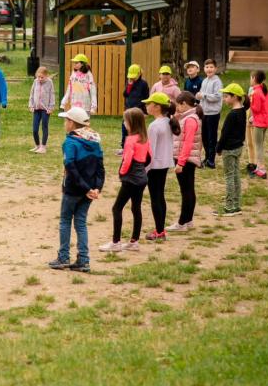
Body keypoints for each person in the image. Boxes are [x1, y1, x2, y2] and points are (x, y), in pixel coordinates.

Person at [50, 107, 104, 274]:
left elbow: (70, 167)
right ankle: (83, 260)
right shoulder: (95, 141)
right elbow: (100, 168)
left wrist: (87, 188)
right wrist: (96, 188)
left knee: (65, 221)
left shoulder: (70, 143)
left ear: (72, 123)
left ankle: (63, 257)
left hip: (73, 189)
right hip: (88, 191)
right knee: (80, 223)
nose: (65, 123)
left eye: (66, 120)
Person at [99, 108, 148, 253]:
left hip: (131, 178)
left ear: (131, 123)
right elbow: (149, 157)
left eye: (125, 120)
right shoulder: (144, 138)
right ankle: (134, 241)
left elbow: (127, 160)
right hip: (141, 178)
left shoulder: (130, 140)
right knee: (136, 208)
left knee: (117, 208)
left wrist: (122, 173)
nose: (124, 123)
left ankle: (116, 242)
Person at [143, 91, 177, 240]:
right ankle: (161, 229)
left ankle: (159, 231)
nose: (146, 105)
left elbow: (150, 151)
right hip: (164, 164)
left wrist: (144, 169)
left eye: (149, 103)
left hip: (154, 166)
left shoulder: (154, 126)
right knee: (160, 196)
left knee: (155, 198)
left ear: (157, 107)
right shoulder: (167, 122)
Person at [168, 91, 202, 232]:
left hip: (186, 159)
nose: (177, 108)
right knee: (189, 190)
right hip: (187, 158)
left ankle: (182, 222)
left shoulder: (190, 120)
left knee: (186, 191)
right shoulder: (188, 117)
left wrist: (181, 163)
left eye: (178, 106)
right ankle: (188, 220)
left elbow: (187, 143)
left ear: (184, 104)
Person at [214, 82, 246, 216]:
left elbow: (224, 134)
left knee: (229, 177)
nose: (224, 99)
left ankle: (229, 206)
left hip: (229, 149)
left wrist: (218, 148)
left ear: (235, 97)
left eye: (226, 96)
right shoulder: (243, 111)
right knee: (236, 175)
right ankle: (237, 204)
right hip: (238, 147)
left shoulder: (232, 114)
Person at [246, 70, 268, 179]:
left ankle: (261, 168)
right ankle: (259, 167)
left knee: (258, 146)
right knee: (260, 144)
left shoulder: (255, 92)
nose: (250, 80)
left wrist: (249, 102)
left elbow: (256, 108)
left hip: (259, 123)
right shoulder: (263, 90)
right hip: (265, 121)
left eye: (251, 78)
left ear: (254, 78)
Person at [198, 59, 224, 168]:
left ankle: (212, 160)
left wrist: (203, 95)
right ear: (204, 69)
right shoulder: (204, 81)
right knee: (204, 137)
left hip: (213, 113)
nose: (209, 69)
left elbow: (217, 97)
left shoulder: (217, 81)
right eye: (207, 67)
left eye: (211, 67)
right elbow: (201, 96)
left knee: (211, 137)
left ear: (215, 69)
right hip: (204, 113)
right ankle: (207, 157)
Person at [120, 64, 149, 152]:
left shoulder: (144, 84)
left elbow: (146, 97)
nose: (132, 78)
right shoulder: (129, 82)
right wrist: (129, 86)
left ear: (139, 74)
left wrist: (145, 111)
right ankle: (124, 146)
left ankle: (138, 146)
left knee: (137, 129)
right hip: (128, 109)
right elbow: (125, 94)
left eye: (134, 77)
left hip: (138, 110)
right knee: (125, 127)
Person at [28, 66, 55, 153]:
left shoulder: (50, 83)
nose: (40, 79)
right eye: (38, 77)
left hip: (45, 109)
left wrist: (51, 107)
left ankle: (43, 147)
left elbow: (52, 95)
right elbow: (32, 94)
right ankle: (37, 145)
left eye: (42, 77)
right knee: (35, 129)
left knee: (44, 126)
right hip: (36, 109)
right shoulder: (35, 82)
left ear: (46, 76)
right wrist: (31, 105)